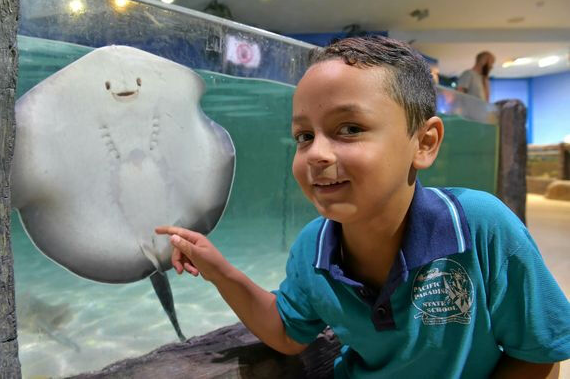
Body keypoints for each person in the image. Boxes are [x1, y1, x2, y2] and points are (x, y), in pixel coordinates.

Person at [156, 37, 569, 378]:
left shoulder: (480, 226)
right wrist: (220, 271)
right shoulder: (314, 247)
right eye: (303, 136)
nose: (316, 153)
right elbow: (286, 331)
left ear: (424, 143)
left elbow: (540, 350)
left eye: (349, 129)